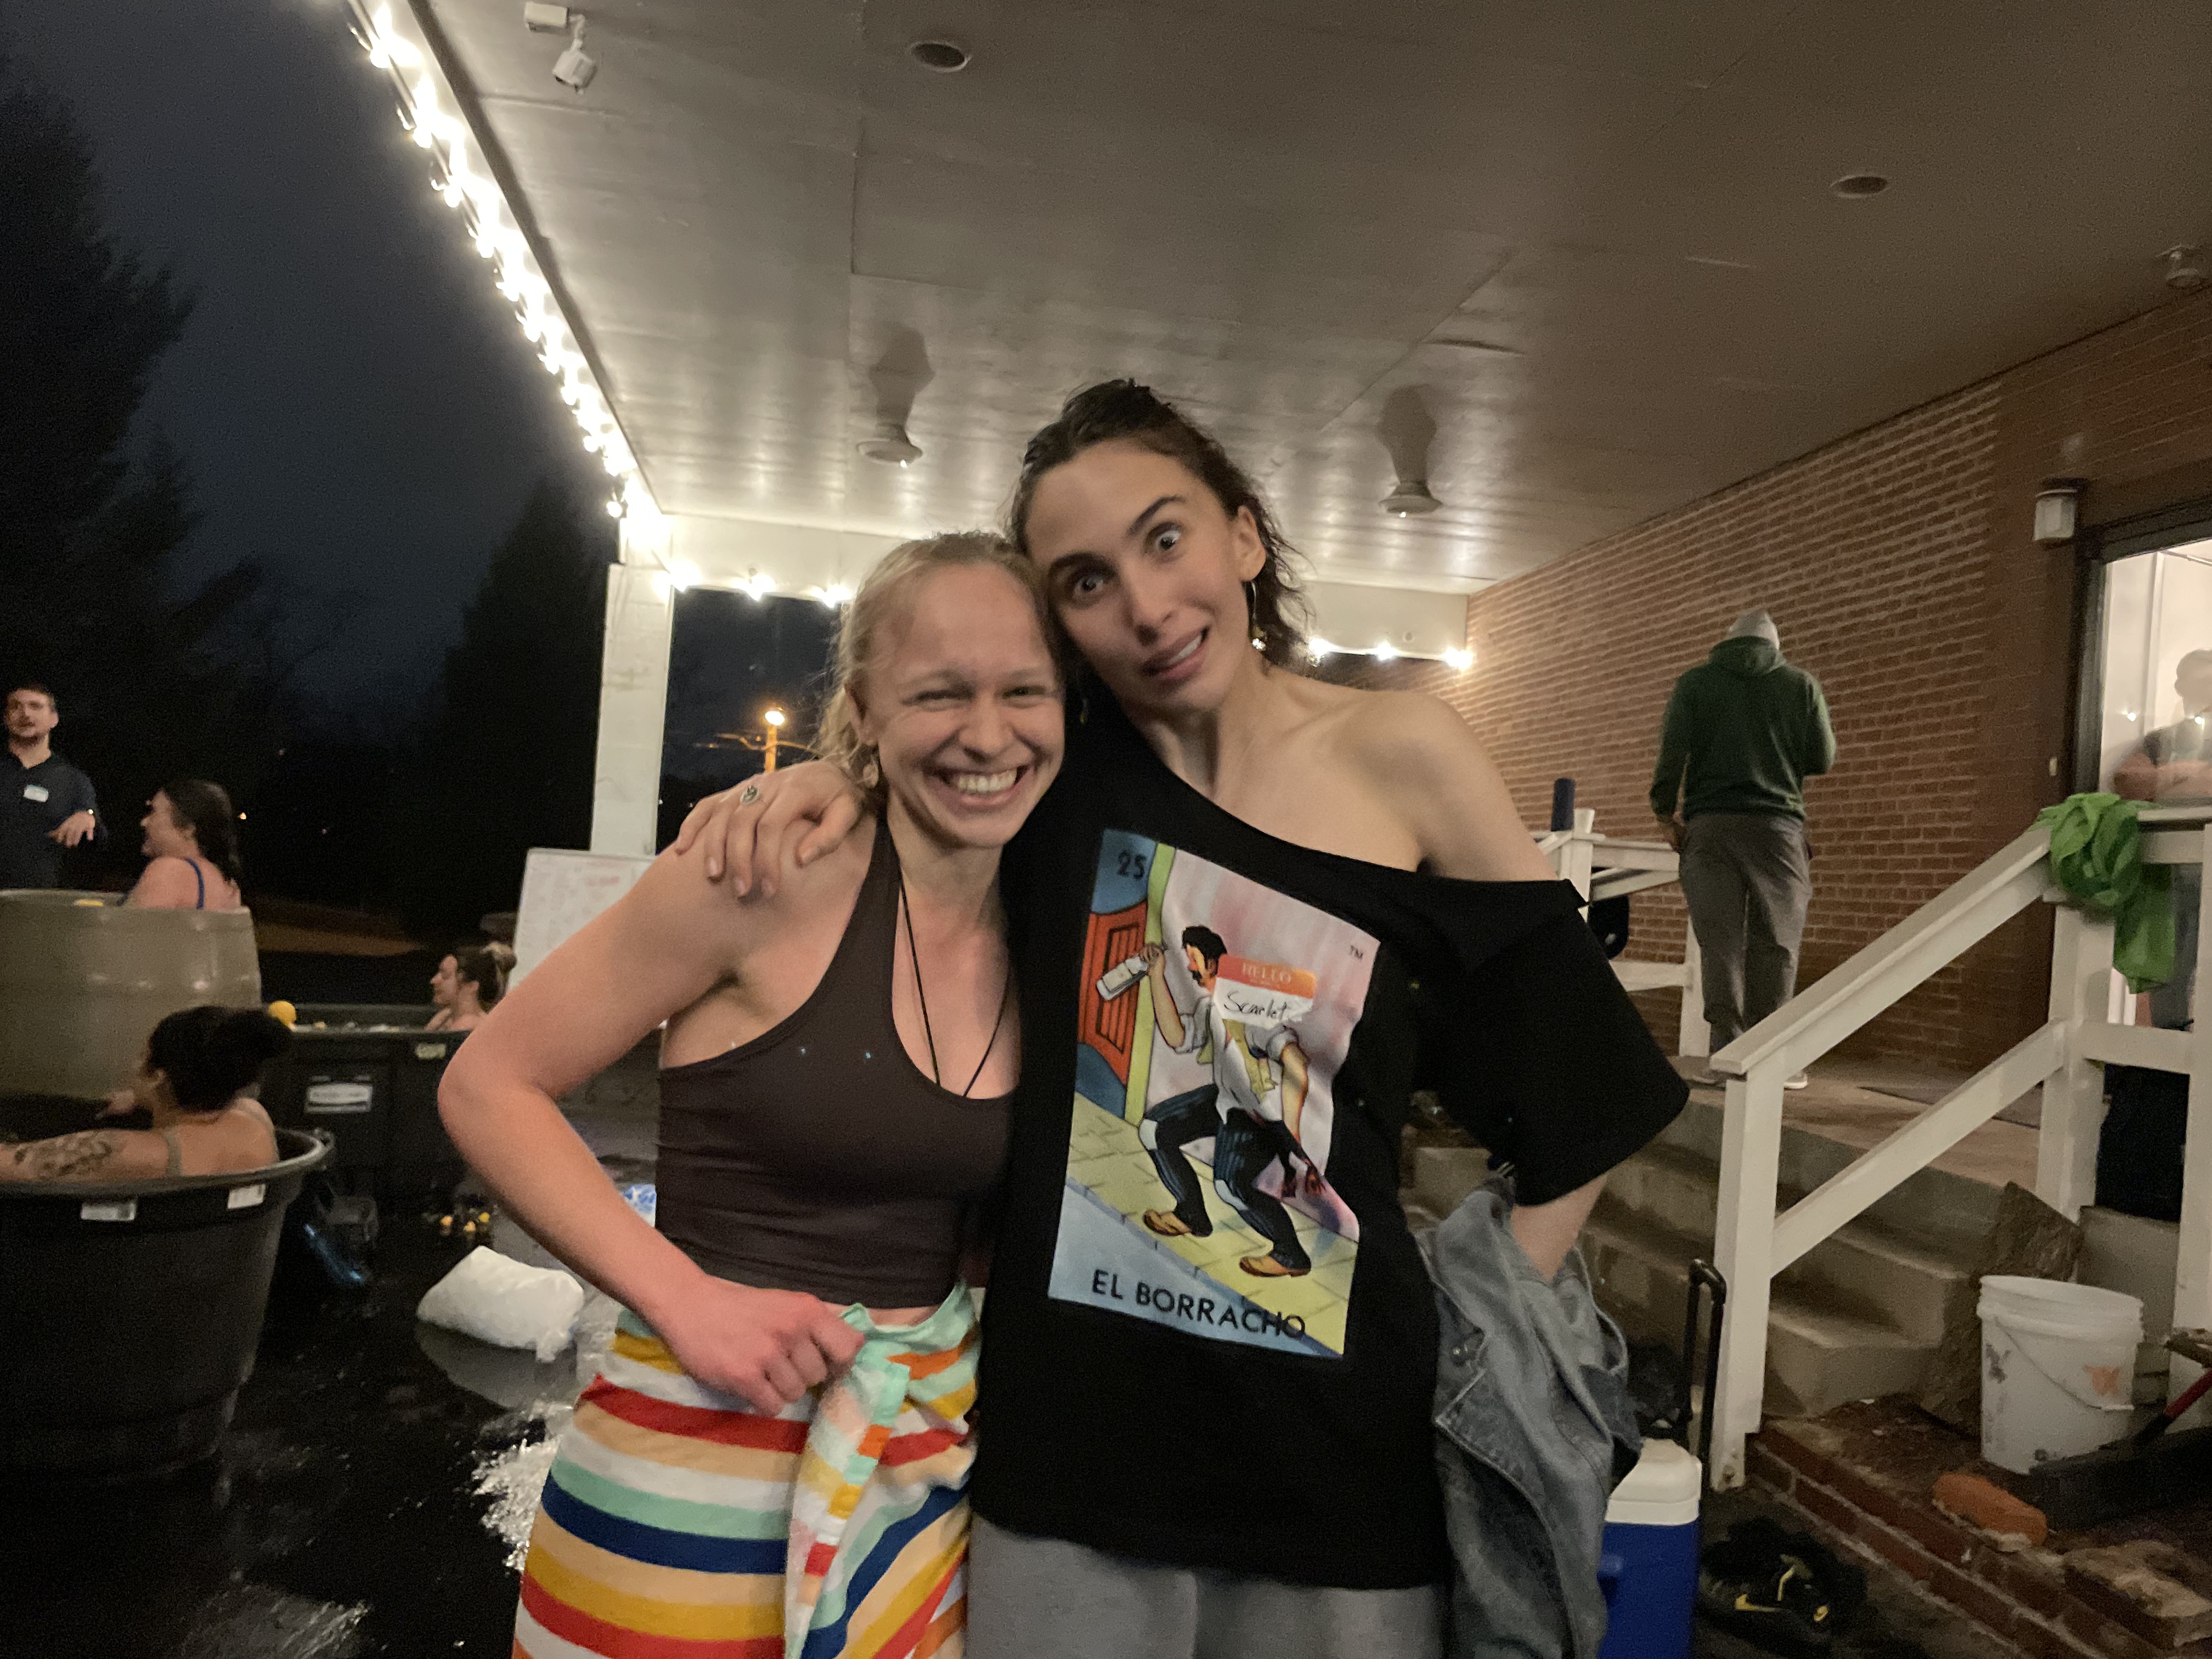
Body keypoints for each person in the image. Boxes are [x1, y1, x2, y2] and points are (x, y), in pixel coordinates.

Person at [679, 381, 1688, 1658]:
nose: (1148, 608)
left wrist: (1475, 1326)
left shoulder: (1406, 757)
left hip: (1342, 1482)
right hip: (1069, 1471)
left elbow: (1587, 1088)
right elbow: (938, 743)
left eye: (1166, 538)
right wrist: (834, 772)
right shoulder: (1053, 774)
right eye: (1086, 581)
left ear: (1245, 534)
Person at [437, 532, 1063, 1658]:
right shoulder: (762, 872)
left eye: (1025, 690)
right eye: (939, 692)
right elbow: (490, 1083)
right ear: (864, 707)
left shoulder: (1053, 917)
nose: (987, 733)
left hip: (914, 1490)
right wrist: (683, 1297)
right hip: (686, 1478)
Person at [1649, 609, 1836, 1082]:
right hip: (1778, 830)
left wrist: (1664, 813)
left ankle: (1726, 1055)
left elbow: (1672, 750)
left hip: (1709, 827)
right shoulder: (1801, 685)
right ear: (1775, 646)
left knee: (1720, 943)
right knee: (1778, 941)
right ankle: (1770, 1059)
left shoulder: (1695, 684)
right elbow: (1823, 758)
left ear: (1728, 642)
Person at [0, 1005, 284, 1183]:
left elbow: (13, 1166)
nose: (135, 1064)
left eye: (143, 1057)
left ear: (158, 1077)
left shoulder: (138, 1154)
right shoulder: (255, 1117)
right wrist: (142, 1098)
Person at [2113, 647, 2212, 1028]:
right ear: (2179, 686)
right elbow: (2128, 782)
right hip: (2170, 873)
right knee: (2171, 964)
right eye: (2197, 680)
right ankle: (2169, 1044)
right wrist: (2184, 773)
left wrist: (2168, 778)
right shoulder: (2161, 740)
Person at [1, 682, 103, 889]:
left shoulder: (72, 779)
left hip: (40, 897)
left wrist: (88, 816)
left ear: (54, 719)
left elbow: (95, 828)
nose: (25, 713)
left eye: (35, 706)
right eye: (16, 706)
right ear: (6, 718)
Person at [123, 779, 245, 911]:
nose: (144, 823)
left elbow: (131, 923)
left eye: (153, 812)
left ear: (188, 828)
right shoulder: (227, 885)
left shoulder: (169, 871)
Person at [426, 943, 514, 1031]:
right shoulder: (444, 1020)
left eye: (445, 976)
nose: (434, 981)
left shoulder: (467, 1026)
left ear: (472, 986)